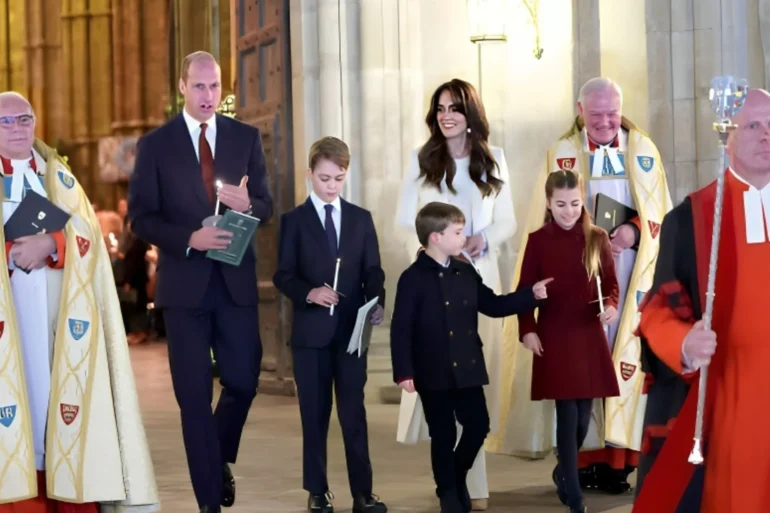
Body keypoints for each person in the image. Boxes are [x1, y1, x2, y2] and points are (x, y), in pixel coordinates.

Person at [489, 77, 673, 494]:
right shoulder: (563, 154)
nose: (607, 122)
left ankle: (619, 462)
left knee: (622, 357)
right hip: (578, 280)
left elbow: (660, 210)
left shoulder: (642, 151)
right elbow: (546, 214)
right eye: (596, 115)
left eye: (612, 112)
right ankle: (580, 461)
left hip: (628, 275)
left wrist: (632, 230)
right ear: (579, 111)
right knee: (582, 368)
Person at [128, 51, 273, 513]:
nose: (208, 96)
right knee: (193, 399)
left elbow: (267, 207)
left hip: (235, 285)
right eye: (199, 87)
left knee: (243, 382)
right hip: (183, 288)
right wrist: (189, 237)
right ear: (182, 87)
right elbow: (141, 218)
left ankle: (218, 457)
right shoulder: (155, 145)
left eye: (215, 88)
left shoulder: (245, 138)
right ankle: (209, 502)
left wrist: (248, 203)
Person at [0, 92, 158, 512]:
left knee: (59, 416)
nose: (18, 128)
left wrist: (51, 245)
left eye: (24, 119)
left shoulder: (59, 179)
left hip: (60, 329)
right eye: (7, 122)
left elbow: (86, 237)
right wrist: (12, 254)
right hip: (9, 328)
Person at [633, 88, 770, 512]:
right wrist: (684, 344)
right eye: (753, 126)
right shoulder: (693, 217)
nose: (766, 136)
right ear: (727, 137)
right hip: (730, 400)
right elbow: (656, 310)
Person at [394, 78, 515, 511]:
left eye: (455, 108)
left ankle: (469, 483)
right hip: (434, 282)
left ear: (470, 114)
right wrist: (435, 255)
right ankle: (454, 486)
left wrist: (485, 239)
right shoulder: (421, 160)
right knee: (443, 396)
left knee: (474, 391)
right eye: (440, 108)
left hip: (479, 280)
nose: (446, 115)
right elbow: (407, 220)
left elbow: (508, 221)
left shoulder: (493, 159)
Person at [390, 202, 550, 513]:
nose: (464, 238)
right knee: (443, 432)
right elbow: (401, 328)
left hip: (467, 366)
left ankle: (454, 475)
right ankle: (449, 493)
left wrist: (531, 295)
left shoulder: (465, 271)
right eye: (458, 232)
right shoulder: (412, 278)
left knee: (478, 425)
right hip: (431, 370)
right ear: (436, 237)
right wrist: (404, 371)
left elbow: (493, 305)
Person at [273, 136, 387, 513]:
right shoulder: (294, 221)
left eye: (338, 178)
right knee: (315, 415)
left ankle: (363, 493)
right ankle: (318, 491)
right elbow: (283, 275)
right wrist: (310, 293)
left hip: (351, 336)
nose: (330, 186)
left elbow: (374, 271)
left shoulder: (360, 219)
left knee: (354, 414)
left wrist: (376, 302)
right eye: (323, 178)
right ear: (309, 174)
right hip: (311, 336)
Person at [517, 170, 621, 512]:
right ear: (548, 203)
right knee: (566, 412)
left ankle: (564, 470)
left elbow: (611, 286)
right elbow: (523, 291)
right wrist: (527, 329)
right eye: (560, 204)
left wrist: (611, 307)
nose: (568, 211)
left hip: (588, 332)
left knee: (582, 416)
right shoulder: (537, 239)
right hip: (555, 332)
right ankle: (575, 496)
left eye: (575, 203)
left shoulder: (597, 237)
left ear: (583, 200)